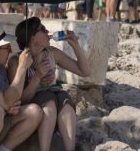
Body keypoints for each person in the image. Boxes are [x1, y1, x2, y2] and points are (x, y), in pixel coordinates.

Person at [9, 17, 90, 151]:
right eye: (42, 29)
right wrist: (37, 77)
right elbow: (20, 99)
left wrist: (75, 45)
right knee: (50, 104)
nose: (47, 32)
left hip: (53, 95)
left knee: (66, 103)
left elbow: (84, 71)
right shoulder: (16, 62)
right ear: (32, 38)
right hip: (34, 104)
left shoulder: (51, 53)